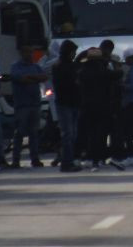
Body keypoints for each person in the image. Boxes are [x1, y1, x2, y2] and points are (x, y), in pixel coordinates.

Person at [10, 45, 48, 169]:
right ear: (21, 53)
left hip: (35, 104)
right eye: (28, 52)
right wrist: (34, 78)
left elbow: (44, 77)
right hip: (22, 105)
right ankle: (15, 160)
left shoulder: (35, 66)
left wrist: (31, 78)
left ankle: (35, 159)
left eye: (31, 52)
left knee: (34, 133)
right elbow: (21, 78)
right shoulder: (16, 66)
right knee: (19, 133)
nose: (30, 55)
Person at [77, 48, 110, 170]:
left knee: (89, 133)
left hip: (86, 105)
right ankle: (98, 158)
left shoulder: (82, 72)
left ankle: (89, 156)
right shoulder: (104, 72)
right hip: (101, 105)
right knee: (99, 134)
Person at [52, 40, 82, 172]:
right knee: (67, 134)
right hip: (64, 103)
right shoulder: (59, 66)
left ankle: (70, 159)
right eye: (73, 52)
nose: (74, 55)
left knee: (73, 134)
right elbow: (66, 84)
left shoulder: (72, 65)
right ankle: (66, 162)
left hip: (74, 102)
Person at [99, 39, 124, 162]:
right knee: (103, 130)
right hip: (104, 100)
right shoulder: (99, 62)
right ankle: (102, 154)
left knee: (114, 130)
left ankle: (115, 153)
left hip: (112, 100)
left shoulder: (112, 61)